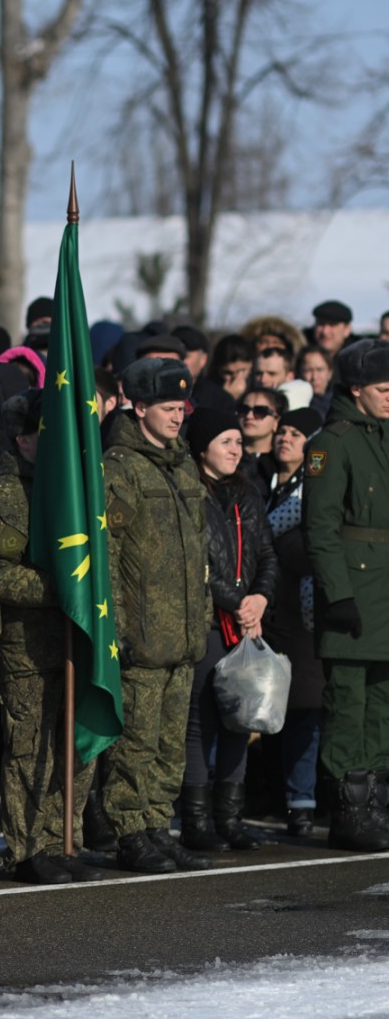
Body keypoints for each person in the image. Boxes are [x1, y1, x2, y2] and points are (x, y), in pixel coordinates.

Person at [0, 390, 103, 886]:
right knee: (31, 745)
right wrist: (55, 588)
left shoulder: (76, 493)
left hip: (78, 637)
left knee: (73, 743)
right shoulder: (6, 496)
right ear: (24, 439)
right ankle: (27, 846)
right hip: (29, 642)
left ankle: (62, 837)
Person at [102, 357, 214, 875]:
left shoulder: (182, 464)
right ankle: (130, 832)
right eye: (168, 408)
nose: (178, 417)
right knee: (138, 742)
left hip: (184, 632)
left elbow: (199, 551)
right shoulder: (121, 466)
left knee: (171, 743)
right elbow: (106, 551)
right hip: (143, 634)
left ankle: (156, 824)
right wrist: (119, 627)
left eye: (182, 408)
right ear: (138, 406)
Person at [303, 339, 389, 851]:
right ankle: (350, 810)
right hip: (353, 591)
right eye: (383, 389)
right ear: (356, 390)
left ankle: (375, 800)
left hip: (385, 589)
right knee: (347, 702)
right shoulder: (329, 443)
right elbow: (320, 529)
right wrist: (337, 594)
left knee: (382, 700)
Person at [178, 408, 275, 853]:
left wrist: (259, 599)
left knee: (243, 716)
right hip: (207, 621)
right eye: (226, 442)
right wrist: (236, 601)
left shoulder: (248, 495)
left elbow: (268, 555)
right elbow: (196, 562)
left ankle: (230, 818)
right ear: (202, 449)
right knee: (201, 721)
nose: (236, 450)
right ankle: (197, 821)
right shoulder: (188, 493)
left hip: (246, 622)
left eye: (239, 441)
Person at [263, 407, 325, 836]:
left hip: (303, 618)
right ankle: (271, 796)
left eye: (296, 433)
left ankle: (302, 802)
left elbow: (306, 547)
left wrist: (282, 550)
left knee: (305, 710)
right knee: (265, 710)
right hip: (268, 614)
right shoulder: (260, 480)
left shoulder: (313, 491)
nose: (285, 438)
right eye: (282, 430)